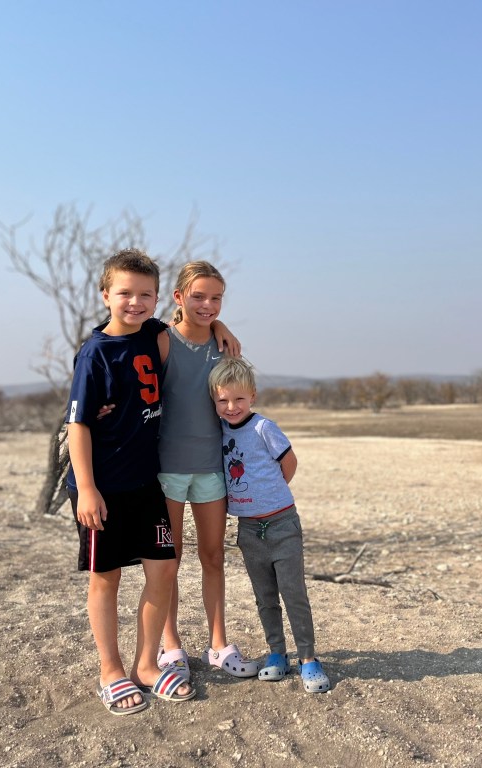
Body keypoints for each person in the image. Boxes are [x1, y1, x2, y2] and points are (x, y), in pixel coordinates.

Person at [65, 247, 194, 715]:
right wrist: (87, 489)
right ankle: (110, 670)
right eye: (124, 293)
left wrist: (221, 326)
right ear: (105, 296)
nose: (135, 302)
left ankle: (146, 665)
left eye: (145, 294)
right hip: (103, 487)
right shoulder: (95, 354)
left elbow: (189, 323)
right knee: (107, 578)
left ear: (157, 298)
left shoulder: (154, 333)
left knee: (163, 569)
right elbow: (78, 424)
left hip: (146, 483)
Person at [156, 261, 259, 680]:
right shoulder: (161, 341)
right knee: (168, 560)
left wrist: (220, 326)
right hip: (166, 470)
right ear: (179, 297)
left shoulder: (225, 347)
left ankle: (218, 645)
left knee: (213, 556)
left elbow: (237, 401)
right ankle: (170, 646)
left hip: (212, 470)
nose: (208, 305)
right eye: (198, 296)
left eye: (216, 299)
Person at [208, 356, 332, 693]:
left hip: (281, 524)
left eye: (239, 398)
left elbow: (289, 463)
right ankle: (277, 653)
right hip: (249, 530)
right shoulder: (218, 429)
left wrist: (272, 494)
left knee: (293, 594)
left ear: (253, 396)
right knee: (265, 597)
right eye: (222, 400)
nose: (231, 407)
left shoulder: (264, 428)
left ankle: (308, 658)